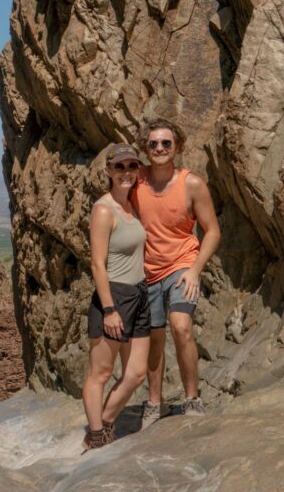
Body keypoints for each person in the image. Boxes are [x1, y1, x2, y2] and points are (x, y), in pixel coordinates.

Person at [131, 118, 220, 427]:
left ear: (177, 147)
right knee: (155, 336)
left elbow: (212, 232)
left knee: (181, 325)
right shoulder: (135, 181)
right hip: (146, 271)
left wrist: (195, 270)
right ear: (145, 148)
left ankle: (192, 399)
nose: (159, 148)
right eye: (153, 143)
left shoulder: (191, 183)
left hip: (182, 266)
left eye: (166, 143)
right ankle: (154, 403)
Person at [82, 143, 151, 449]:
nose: (126, 172)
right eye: (120, 167)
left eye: (132, 166)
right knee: (101, 372)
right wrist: (109, 309)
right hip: (114, 297)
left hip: (139, 294)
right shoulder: (103, 209)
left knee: (136, 373)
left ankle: (106, 421)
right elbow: (97, 263)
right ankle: (97, 436)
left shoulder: (132, 205)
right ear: (108, 171)